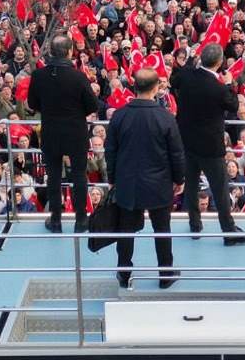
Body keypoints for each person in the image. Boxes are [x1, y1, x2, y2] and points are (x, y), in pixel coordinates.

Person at [106, 69, 186, 289]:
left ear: (134, 86)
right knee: (162, 230)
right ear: (156, 88)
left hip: (127, 183)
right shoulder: (165, 117)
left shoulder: (120, 116)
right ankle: (165, 273)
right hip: (159, 184)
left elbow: (110, 151)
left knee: (125, 230)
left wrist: (111, 178)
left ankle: (124, 273)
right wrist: (179, 179)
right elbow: (177, 153)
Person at [171, 43, 245, 245]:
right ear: (219, 62)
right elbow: (234, 105)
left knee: (191, 184)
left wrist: (190, 61)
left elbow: (174, 79)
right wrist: (229, 83)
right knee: (220, 188)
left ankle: (195, 225)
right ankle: (228, 231)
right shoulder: (218, 87)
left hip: (187, 141)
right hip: (211, 147)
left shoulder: (187, 76)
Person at [27, 36, 100, 233]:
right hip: (75, 132)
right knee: (79, 175)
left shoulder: (38, 76)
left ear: (51, 52)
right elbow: (92, 105)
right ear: (69, 52)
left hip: (51, 132)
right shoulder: (78, 77)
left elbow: (32, 104)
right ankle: (81, 220)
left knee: (53, 177)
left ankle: (56, 220)